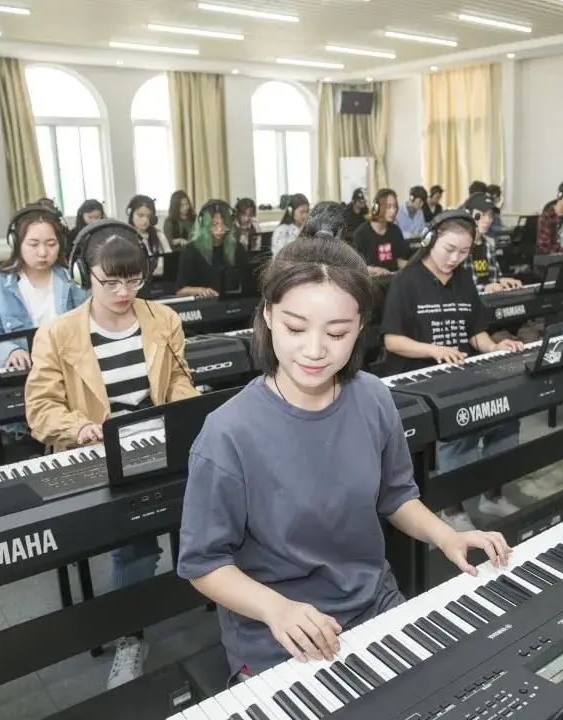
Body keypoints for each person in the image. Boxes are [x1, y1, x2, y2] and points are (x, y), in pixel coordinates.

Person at [177, 210, 511, 680]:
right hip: (280, 633)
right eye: (296, 328)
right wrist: (277, 609)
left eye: (336, 333)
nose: (315, 350)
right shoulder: (227, 433)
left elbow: (396, 496)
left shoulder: (372, 397)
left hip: (373, 602)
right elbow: (204, 563)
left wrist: (447, 536)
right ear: (268, 316)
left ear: (359, 327)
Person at [25, 219, 198, 690]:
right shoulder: (57, 334)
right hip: (99, 454)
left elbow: (178, 380)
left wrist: (185, 408)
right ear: (85, 275)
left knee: (223, 500)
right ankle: (130, 635)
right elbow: (40, 409)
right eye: (111, 282)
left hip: (160, 443)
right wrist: (78, 426)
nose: (124, 292)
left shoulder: (163, 320)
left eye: (134, 280)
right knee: (136, 537)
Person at [382, 209, 525, 528]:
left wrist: (493, 347)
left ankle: (492, 496)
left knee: (507, 415)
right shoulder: (406, 281)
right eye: (449, 249)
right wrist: (434, 349)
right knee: (460, 424)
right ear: (430, 240)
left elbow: (475, 332)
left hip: (460, 370)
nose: (455, 259)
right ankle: (453, 508)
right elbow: (392, 340)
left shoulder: (463, 279)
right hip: (420, 376)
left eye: (463, 252)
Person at [0, 206, 87, 369]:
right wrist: (9, 352)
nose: (43, 252)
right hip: (22, 373)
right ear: (16, 243)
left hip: (70, 368)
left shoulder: (73, 280)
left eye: (51, 244)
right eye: (33, 244)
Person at [175, 200, 254, 298]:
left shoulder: (238, 248)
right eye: (214, 224)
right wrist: (201, 290)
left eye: (223, 224)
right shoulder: (191, 250)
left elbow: (248, 282)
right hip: (205, 303)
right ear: (204, 225)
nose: (220, 228)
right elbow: (180, 290)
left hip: (233, 302)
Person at [463, 192, 520, 294]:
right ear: (468, 214)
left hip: (488, 299)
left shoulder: (489, 245)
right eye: (482, 214)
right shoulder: (459, 248)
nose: (488, 220)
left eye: (490, 215)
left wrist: (502, 281)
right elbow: (458, 288)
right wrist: (484, 288)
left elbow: (493, 278)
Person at [352, 188, 410, 275]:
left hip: (393, 278)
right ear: (377, 208)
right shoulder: (361, 234)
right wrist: (374, 269)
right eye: (388, 207)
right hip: (372, 280)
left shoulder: (396, 231)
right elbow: (354, 266)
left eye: (395, 207)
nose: (393, 211)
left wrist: (415, 266)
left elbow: (398, 260)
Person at [126, 195, 171, 276]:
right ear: (130, 213)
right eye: (140, 215)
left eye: (149, 216)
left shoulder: (159, 235)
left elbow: (170, 259)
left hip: (159, 280)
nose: (145, 220)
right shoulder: (125, 237)